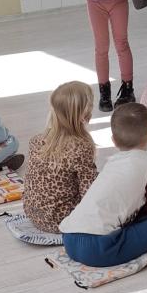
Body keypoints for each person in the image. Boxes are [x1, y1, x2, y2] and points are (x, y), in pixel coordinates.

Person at [60, 102, 147, 267]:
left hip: (69, 240)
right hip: (100, 249)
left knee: (135, 219)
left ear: (114, 141)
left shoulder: (111, 163)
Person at [23, 81, 98, 233]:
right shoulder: (81, 147)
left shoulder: (36, 140)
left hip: (33, 213)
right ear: (83, 114)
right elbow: (89, 192)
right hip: (62, 220)